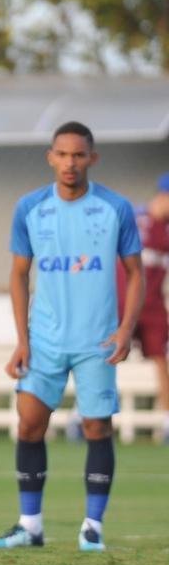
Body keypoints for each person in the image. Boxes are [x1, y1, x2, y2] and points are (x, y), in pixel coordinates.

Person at [0, 121, 142, 553]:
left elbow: (135, 272)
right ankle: (30, 526)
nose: (70, 162)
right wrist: (22, 340)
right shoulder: (30, 208)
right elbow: (19, 275)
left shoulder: (115, 208)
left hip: (97, 341)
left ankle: (92, 526)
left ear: (92, 158)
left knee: (97, 426)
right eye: (63, 154)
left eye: (79, 155)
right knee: (29, 424)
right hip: (45, 341)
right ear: (51, 158)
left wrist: (126, 329)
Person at [118, 177, 169, 442]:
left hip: (153, 306)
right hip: (123, 302)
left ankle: (167, 420)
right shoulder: (135, 218)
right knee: (110, 355)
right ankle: (85, 414)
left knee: (161, 359)